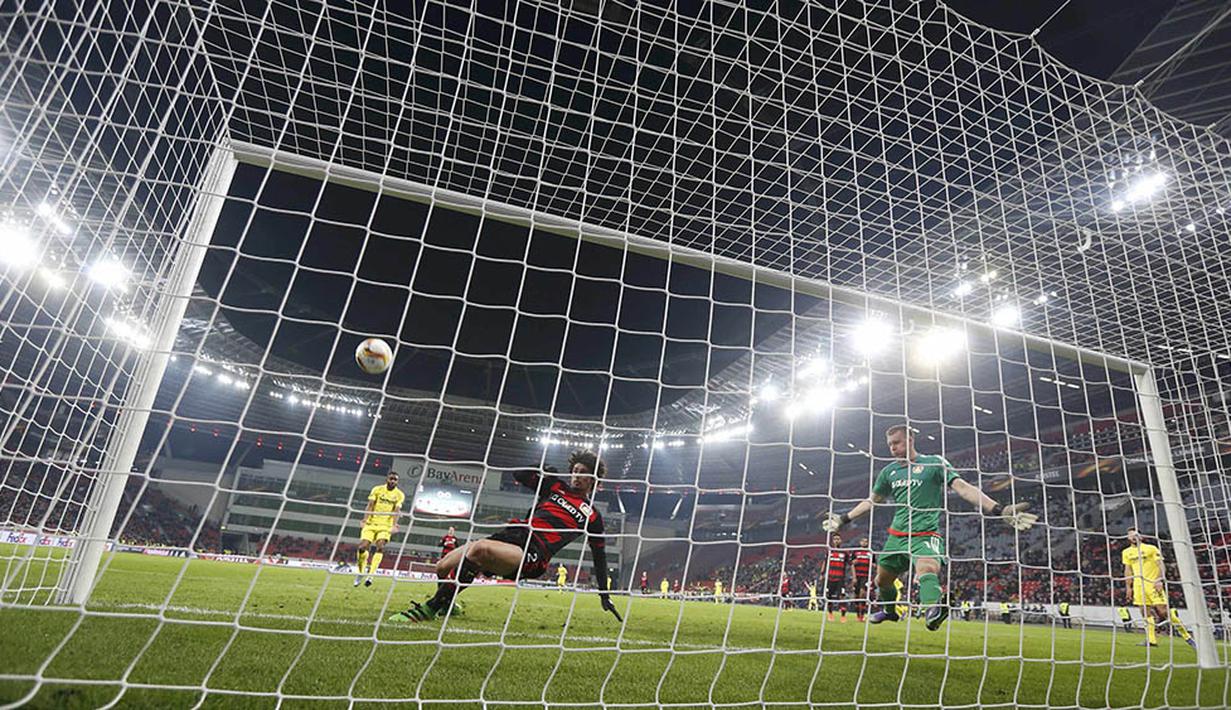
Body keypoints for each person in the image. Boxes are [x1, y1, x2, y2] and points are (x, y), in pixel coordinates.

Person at [823, 424, 1036, 631]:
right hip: (896, 536)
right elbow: (872, 501)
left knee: (926, 568)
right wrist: (844, 519)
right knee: (882, 580)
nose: (893, 448)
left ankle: (934, 609)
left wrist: (999, 509)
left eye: (896, 442)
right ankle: (889, 611)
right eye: (890, 444)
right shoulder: (889, 472)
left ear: (910, 439)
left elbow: (962, 487)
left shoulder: (934, 463)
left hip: (925, 533)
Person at [388, 450, 620, 624]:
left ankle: (430, 608)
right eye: (575, 471)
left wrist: (604, 595)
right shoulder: (555, 486)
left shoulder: (592, 516)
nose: (576, 476)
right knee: (442, 567)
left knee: (479, 550)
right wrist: (542, 468)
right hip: (513, 535)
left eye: (583, 473)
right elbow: (519, 474)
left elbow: (599, 557)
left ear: (593, 480)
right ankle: (448, 604)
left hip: (535, 553)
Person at [1122, 527, 1194, 649]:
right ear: (1128, 538)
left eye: (1136, 534)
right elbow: (1128, 570)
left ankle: (1188, 637)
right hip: (1139, 587)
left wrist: (1159, 579)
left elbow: (1161, 564)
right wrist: (1129, 587)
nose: (1133, 536)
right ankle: (1151, 640)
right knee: (1145, 612)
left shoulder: (1151, 548)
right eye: (1131, 535)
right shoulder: (1126, 552)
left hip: (1152, 584)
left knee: (1164, 611)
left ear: (1141, 536)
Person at [355, 471, 405, 588]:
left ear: (397, 482)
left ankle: (371, 575)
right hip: (371, 523)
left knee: (380, 546)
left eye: (395, 480)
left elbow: (396, 510)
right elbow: (370, 505)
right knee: (362, 547)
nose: (393, 481)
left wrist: (394, 525)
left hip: (385, 526)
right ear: (387, 479)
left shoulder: (399, 494)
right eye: (391, 479)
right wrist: (364, 519)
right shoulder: (377, 489)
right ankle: (361, 572)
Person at [824, 533, 849, 622]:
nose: (836, 541)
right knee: (828, 596)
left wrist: (853, 576)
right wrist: (822, 573)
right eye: (835, 539)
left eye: (838, 539)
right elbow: (825, 562)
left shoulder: (845, 552)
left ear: (841, 541)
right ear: (832, 541)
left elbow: (850, 564)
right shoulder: (829, 551)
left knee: (842, 596)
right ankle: (830, 614)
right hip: (830, 578)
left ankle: (843, 616)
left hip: (840, 578)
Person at [850, 537, 873, 622]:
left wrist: (873, 565)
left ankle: (862, 616)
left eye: (866, 541)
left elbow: (874, 564)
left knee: (862, 595)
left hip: (866, 577)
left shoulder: (870, 552)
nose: (864, 542)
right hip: (857, 576)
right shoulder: (855, 552)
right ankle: (858, 615)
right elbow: (851, 564)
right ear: (860, 542)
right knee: (856, 596)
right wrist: (854, 577)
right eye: (863, 541)